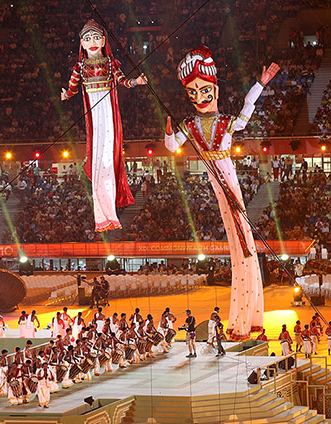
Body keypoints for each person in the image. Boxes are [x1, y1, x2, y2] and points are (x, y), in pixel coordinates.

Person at [165, 47, 278, 339]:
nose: (199, 98)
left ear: (214, 89)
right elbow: (171, 146)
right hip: (216, 176)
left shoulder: (225, 121)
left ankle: (246, 314)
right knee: (237, 232)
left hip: (224, 172)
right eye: (193, 93)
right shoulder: (189, 124)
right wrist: (168, 131)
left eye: (204, 91)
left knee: (240, 233)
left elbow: (243, 118)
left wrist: (260, 84)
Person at [61, 20, 144, 232]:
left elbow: (122, 80)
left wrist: (136, 82)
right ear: (81, 43)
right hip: (93, 112)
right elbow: (71, 87)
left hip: (106, 108)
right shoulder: (79, 66)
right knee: (98, 157)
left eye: (96, 37)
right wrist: (66, 95)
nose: (92, 42)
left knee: (108, 156)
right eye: (87, 39)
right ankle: (102, 217)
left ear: (104, 40)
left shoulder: (110, 63)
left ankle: (110, 214)